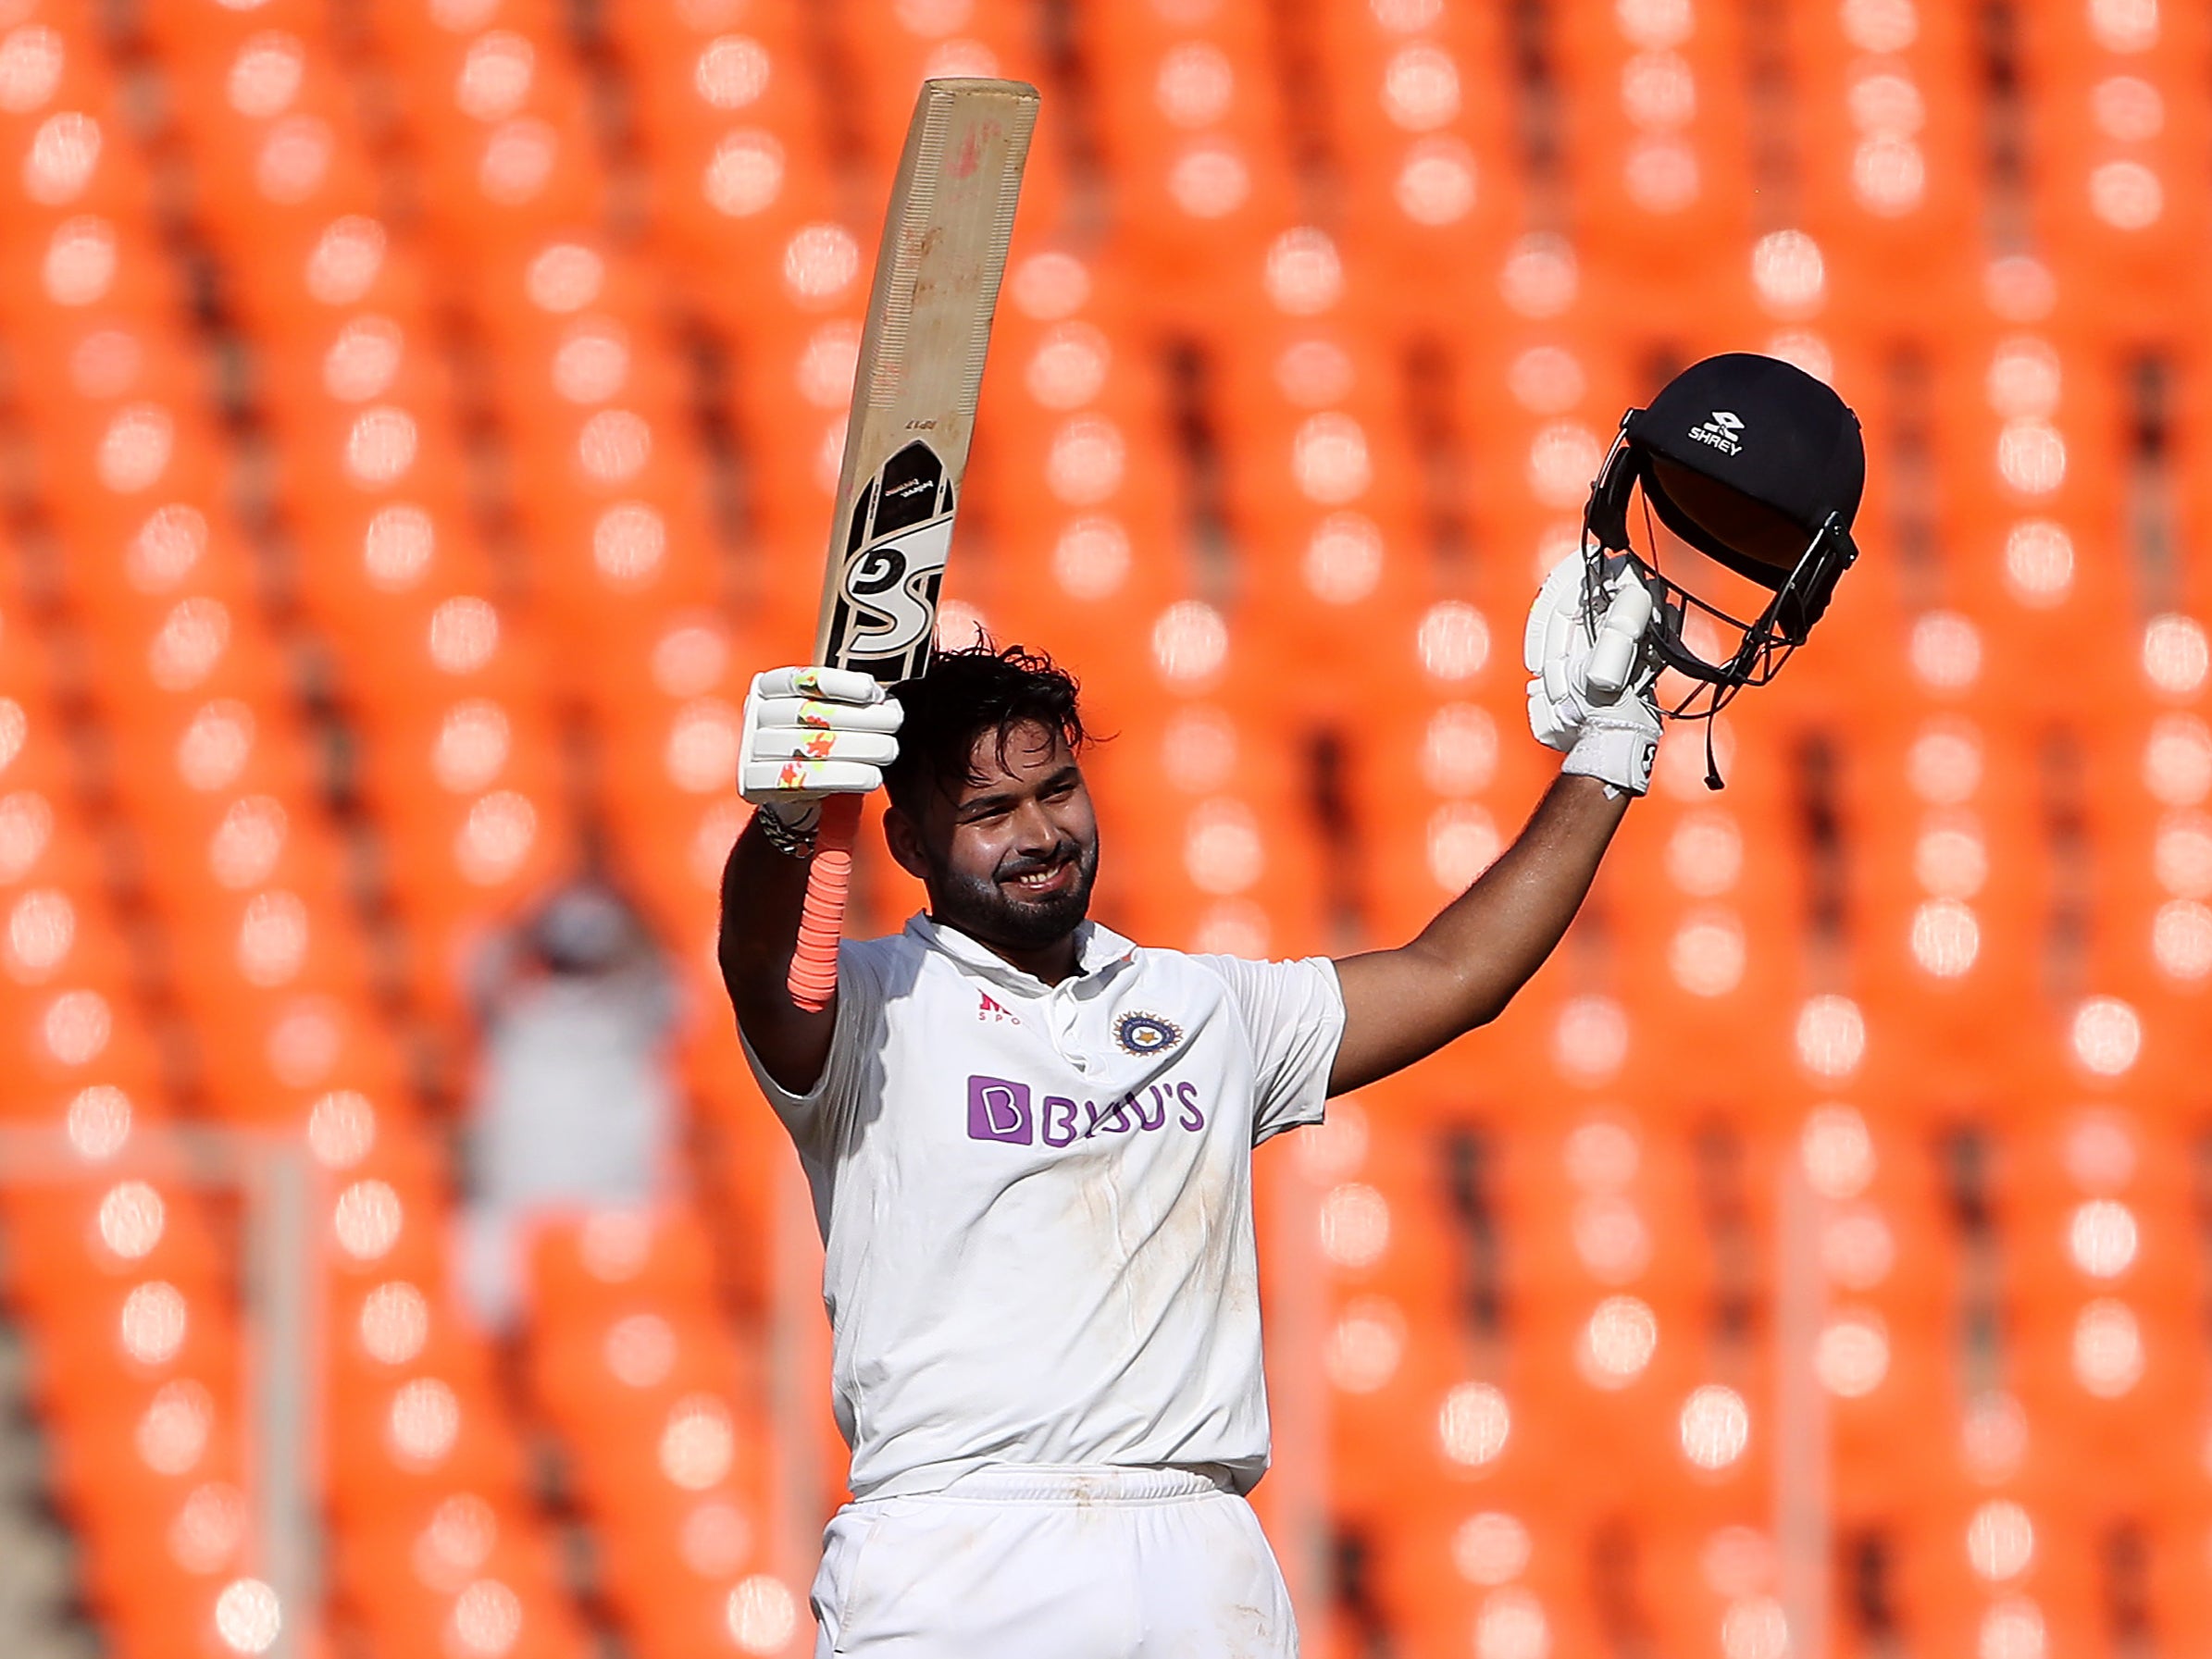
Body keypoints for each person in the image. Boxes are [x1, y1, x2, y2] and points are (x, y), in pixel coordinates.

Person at [719, 353, 1861, 1656]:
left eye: (1055, 792)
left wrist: (1608, 753)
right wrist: (790, 822)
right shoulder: (872, 1010)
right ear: (912, 845)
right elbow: (767, 967)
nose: (1039, 833)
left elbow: (1451, 975)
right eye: (988, 812)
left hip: (1196, 1554)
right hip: (957, 1557)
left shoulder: (1202, 1010)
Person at [462, 878, 679, 1330]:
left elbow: (480, 969)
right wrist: (632, 905)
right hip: (526, 1228)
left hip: (608, 1223)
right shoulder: (524, 1018)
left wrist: (527, 917)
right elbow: (667, 970)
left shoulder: (519, 1018)